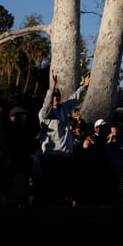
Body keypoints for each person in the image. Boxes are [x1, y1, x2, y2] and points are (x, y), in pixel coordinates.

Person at [34, 72, 90, 205]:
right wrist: (52, 88)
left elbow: (74, 98)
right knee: (50, 188)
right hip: (51, 156)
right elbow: (47, 103)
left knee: (63, 187)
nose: (56, 98)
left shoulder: (63, 109)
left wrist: (84, 87)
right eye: (54, 96)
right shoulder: (44, 113)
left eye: (58, 96)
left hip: (65, 156)